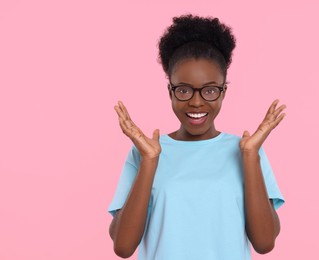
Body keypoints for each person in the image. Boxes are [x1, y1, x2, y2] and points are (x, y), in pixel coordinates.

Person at [108, 13, 286, 260]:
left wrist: (249, 156)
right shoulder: (145, 151)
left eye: (210, 90)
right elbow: (123, 247)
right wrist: (150, 161)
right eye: (183, 90)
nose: (196, 101)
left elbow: (265, 243)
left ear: (224, 91)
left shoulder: (246, 150)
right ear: (170, 90)